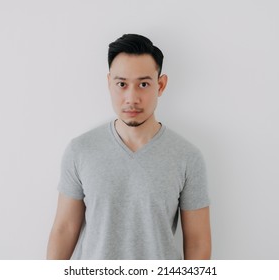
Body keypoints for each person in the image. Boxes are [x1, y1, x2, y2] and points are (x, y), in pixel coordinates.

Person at [47, 34, 211, 260]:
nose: (131, 98)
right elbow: (64, 229)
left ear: (160, 85)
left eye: (143, 84)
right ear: (109, 84)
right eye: (121, 84)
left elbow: (198, 242)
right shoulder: (81, 150)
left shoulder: (187, 157)